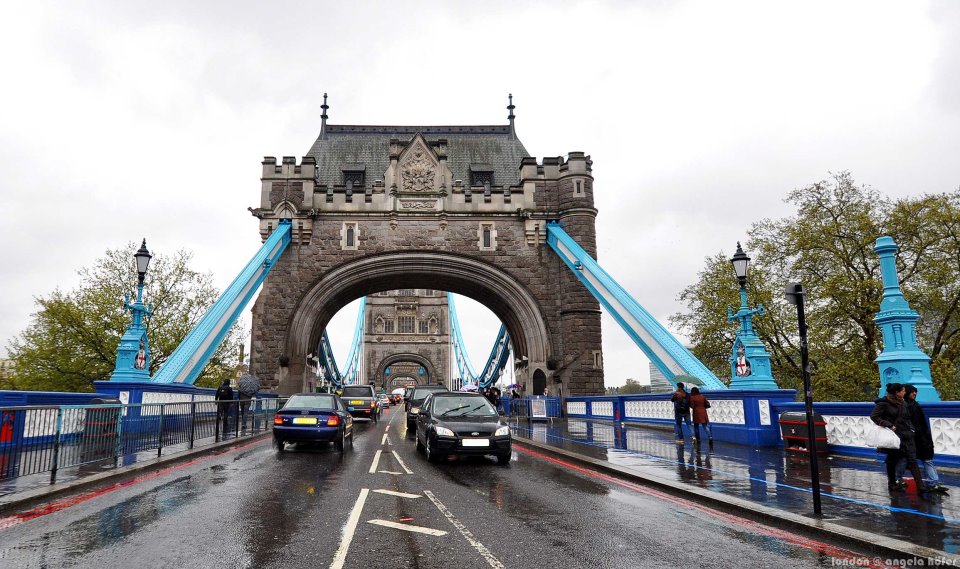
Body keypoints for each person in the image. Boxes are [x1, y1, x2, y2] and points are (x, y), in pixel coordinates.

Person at [870, 383, 929, 493]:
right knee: (892, 460)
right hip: (895, 436)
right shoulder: (884, 404)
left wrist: (912, 430)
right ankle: (892, 483)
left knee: (912, 460)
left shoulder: (903, 403)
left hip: (908, 436)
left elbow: (907, 418)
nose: (905, 392)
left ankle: (920, 486)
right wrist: (889, 425)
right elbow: (874, 417)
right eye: (903, 391)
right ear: (897, 393)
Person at [895, 384, 948, 493]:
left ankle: (932, 482)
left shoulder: (914, 406)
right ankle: (897, 480)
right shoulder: (904, 407)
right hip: (911, 438)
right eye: (912, 392)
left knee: (923, 459)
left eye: (915, 392)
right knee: (907, 460)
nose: (914, 393)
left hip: (920, 438)